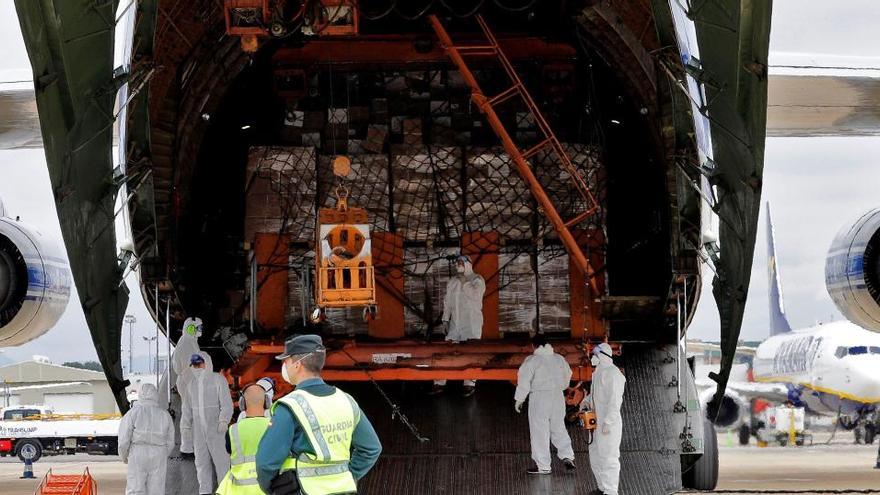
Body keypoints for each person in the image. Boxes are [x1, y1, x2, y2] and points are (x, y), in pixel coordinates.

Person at [256, 335, 382, 494]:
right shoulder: (347, 401)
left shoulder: (290, 406)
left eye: (285, 361)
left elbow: (265, 463)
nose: (284, 366)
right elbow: (371, 448)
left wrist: (274, 490)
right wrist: (348, 475)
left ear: (297, 365)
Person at [514, 334, 576, 475]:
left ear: (533, 346)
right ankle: (567, 455)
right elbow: (568, 375)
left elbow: (524, 382)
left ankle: (543, 466)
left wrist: (519, 399)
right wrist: (560, 386)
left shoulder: (531, 361)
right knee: (558, 427)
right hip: (557, 396)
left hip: (540, 398)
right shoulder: (559, 359)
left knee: (539, 431)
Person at [181, 352, 234, 495]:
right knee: (201, 464)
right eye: (195, 365)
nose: (197, 367)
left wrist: (223, 420)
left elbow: (227, 404)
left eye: (200, 364)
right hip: (199, 433)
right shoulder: (191, 385)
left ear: (207, 363)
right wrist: (185, 430)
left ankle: (224, 492)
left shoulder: (218, 380)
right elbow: (186, 410)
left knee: (222, 463)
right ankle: (204, 492)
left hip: (216, 430)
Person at [432, 255, 486, 396]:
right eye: (457, 263)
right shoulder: (453, 281)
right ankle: (439, 382)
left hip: (471, 323)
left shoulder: (477, 280)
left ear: (468, 264)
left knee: (471, 353)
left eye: (460, 262)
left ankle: (469, 383)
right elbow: (447, 302)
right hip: (455, 324)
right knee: (447, 349)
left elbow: (475, 296)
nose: (457, 265)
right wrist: (445, 319)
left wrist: (465, 282)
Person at [118, 383, 175, 495]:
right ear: (156, 395)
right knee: (157, 490)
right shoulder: (165, 415)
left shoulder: (133, 413)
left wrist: (124, 456)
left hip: (138, 453)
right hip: (159, 453)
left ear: (140, 395)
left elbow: (124, 439)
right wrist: (163, 453)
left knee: (135, 489)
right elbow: (171, 441)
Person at [217, 383, 272, 494]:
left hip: (240, 490)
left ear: (242, 403)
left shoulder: (233, 431)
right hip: (269, 489)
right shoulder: (275, 427)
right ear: (267, 402)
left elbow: (230, 451)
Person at [588, 343, 626, 495]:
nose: (593, 357)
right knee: (596, 456)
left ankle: (611, 491)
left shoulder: (613, 373)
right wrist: (586, 401)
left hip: (608, 424)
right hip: (597, 423)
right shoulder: (597, 373)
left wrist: (608, 421)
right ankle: (602, 488)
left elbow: (615, 400)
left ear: (602, 355)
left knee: (609, 457)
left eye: (595, 354)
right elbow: (597, 395)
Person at [173, 316, 203, 400]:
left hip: (189, 380)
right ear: (191, 328)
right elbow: (178, 367)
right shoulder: (185, 343)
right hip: (187, 381)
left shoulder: (191, 342)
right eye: (199, 327)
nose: (200, 330)